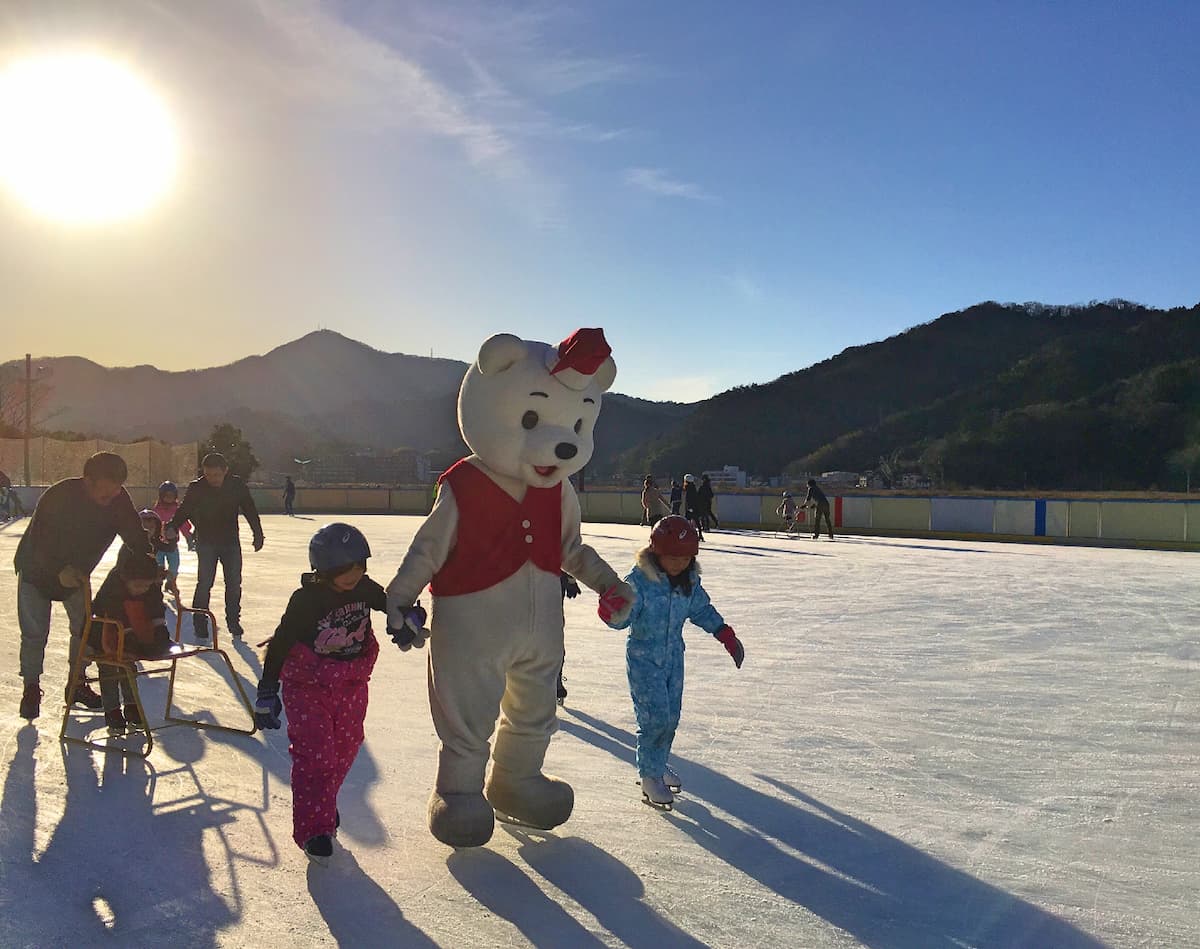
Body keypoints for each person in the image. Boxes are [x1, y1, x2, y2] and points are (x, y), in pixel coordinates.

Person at [253, 523, 392, 865]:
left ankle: (323, 805)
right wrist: (268, 689)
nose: (353, 575)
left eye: (359, 567)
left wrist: (407, 618)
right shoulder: (307, 600)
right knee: (315, 755)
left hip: (351, 681)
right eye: (344, 569)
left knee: (346, 747)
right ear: (323, 569)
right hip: (307, 684)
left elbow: (390, 605)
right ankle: (315, 828)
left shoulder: (365, 588)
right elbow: (282, 641)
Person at [601, 516, 744, 809]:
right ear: (656, 552)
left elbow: (702, 609)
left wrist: (724, 633)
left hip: (674, 657)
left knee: (671, 717)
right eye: (671, 557)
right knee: (654, 719)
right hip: (644, 658)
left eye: (685, 557)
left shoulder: (688, 582)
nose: (678, 563)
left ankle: (658, 764)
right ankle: (649, 777)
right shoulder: (640, 582)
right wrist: (611, 611)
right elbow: (623, 618)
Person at [13, 451, 152, 719]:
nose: (111, 499)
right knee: (34, 633)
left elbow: (134, 534)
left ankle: (77, 682)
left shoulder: (118, 500)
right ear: (87, 480)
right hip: (36, 570)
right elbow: (38, 539)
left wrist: (150, 562)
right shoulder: (59, 495)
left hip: (78, 574)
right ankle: (31, 687)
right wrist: (57, 571)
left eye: (115, 493)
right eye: (104, 494)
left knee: (86, 629)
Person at [168, 453, 264, 641]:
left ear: (225, 471)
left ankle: (233, 620)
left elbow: (249, 509)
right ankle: (200, 622)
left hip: (230, 542)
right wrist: (172, 525)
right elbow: (185, 509)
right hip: (206, 543)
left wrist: (258, 533)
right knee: (204, 583)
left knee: (234, 583)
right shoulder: (197, 488)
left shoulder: (236, 486)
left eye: (216, 475)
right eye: (208, 475)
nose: (212, 479)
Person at [90, 549, 172, 736]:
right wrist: (128, 636)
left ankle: (131, 705)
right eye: (137, 586)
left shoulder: (149, 587)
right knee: (109, 669)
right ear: (126, 579)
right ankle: (112, 710)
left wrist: (159, 632)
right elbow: (111, 613)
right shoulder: (114, 587)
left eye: (146, 586)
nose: (141, 590)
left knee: (129, 668)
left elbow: (156, 608)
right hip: (106, 634)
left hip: (133, 634)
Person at [138, 508, 180, 599]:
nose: (148, 531)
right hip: (136, 579)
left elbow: (169, 548)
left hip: (151, 578)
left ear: (157, 529)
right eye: (144, 528)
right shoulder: (132, 544)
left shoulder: (156, 542)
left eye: (151, 528)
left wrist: (172, 539)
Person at [153, 481, 194, 569]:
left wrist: (188, 538)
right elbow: (151, 526)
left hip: (172, 544)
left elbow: (184, 526)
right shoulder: (157, 510)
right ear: (161, 496)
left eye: (171, 495)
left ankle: (172, 580)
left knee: (174, 566)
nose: (169, 498)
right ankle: (157, 581)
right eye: (166, 495)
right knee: (157, 567)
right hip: (158, 545)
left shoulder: (177, 511)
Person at [556, 571, 581, 704]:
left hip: (553, 580)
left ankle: (556, 680)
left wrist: (570, 578)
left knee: (553, 636)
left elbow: (565, 552)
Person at [681, 474, 705, 542]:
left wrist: (690, 507)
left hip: (691, 508)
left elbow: (690, 499)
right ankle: (699, 535)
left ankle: (693, 535)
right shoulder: (692, 487)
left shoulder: (689, 488)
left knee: (688, 522)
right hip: (693, 507)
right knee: (696, 521)